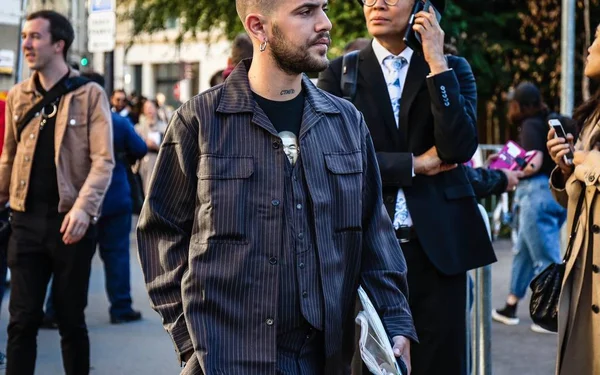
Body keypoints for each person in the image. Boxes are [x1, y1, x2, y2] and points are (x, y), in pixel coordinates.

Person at [137, 0, 417, 373]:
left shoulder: (345, 122)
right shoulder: (199, 122)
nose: (325, 23)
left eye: (324, 8)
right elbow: (161, 235)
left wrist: (395, 321)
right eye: (305, 12)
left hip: (326, 359)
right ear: (259, 28)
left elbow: (375, 236)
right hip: (226, 361)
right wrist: (189, 343)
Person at [318, 0, 496, 374]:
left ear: (422, 7)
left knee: (442, 364)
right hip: (367, 251)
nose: (376, 3)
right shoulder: (339, 73)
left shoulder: (451, 70)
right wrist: (413, 165)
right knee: (371, 364)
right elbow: (334, 160)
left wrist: (435, 60)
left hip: (438, 252)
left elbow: (458, 148)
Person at [0, 10, 113, 375]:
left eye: (35, 36)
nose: (27, 44)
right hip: (25, 222)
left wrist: (84, 209)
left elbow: (103, 160)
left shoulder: (90, 94)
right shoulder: (18, 96)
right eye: (25, 37)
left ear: (59, 44)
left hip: (71, 225)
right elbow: (9, 158)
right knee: (21, 322)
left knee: (70, 321)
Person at [43, 72, 147, 326]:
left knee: (70, 258)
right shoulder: (118, 123)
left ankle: (56, 309)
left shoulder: (69, 120)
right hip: (114, 196)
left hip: (80, 200)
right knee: (117, 255)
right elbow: (141, 148)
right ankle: (120, 307)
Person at [492, 82, 567, 333]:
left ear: (519, 105)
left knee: (545, 257)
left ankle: (553, 315)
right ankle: (511, 306)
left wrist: (508, 172)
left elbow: (534, 161)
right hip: (551, 195)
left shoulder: (531, 125)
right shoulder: (545, 120)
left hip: (536, 195)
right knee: (524, 252)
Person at [547, 25, 600, 375]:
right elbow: (581, 203)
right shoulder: (594, 114)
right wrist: (565, 169)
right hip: (585, 281)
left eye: (598, 37)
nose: (590, 47)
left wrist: (581, 161)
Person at [135, 99, 167, 195]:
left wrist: (156, 147)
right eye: (146, 107)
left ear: (156, 109)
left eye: (151, 107)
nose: (149, 110)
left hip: (158, 163)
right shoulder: (138, 128)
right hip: (143, 165)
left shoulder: (164, 127)